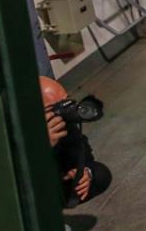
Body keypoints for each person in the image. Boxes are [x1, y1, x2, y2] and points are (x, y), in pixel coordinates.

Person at [41, 77, 111, 209]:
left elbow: (85, 157)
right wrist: (42, 146)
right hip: (29, 192)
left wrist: (85, 173)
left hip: (57, 184)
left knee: (101, 174)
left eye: (66, 100)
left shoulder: (65, 124)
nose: (65, 109)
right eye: (56, 107)